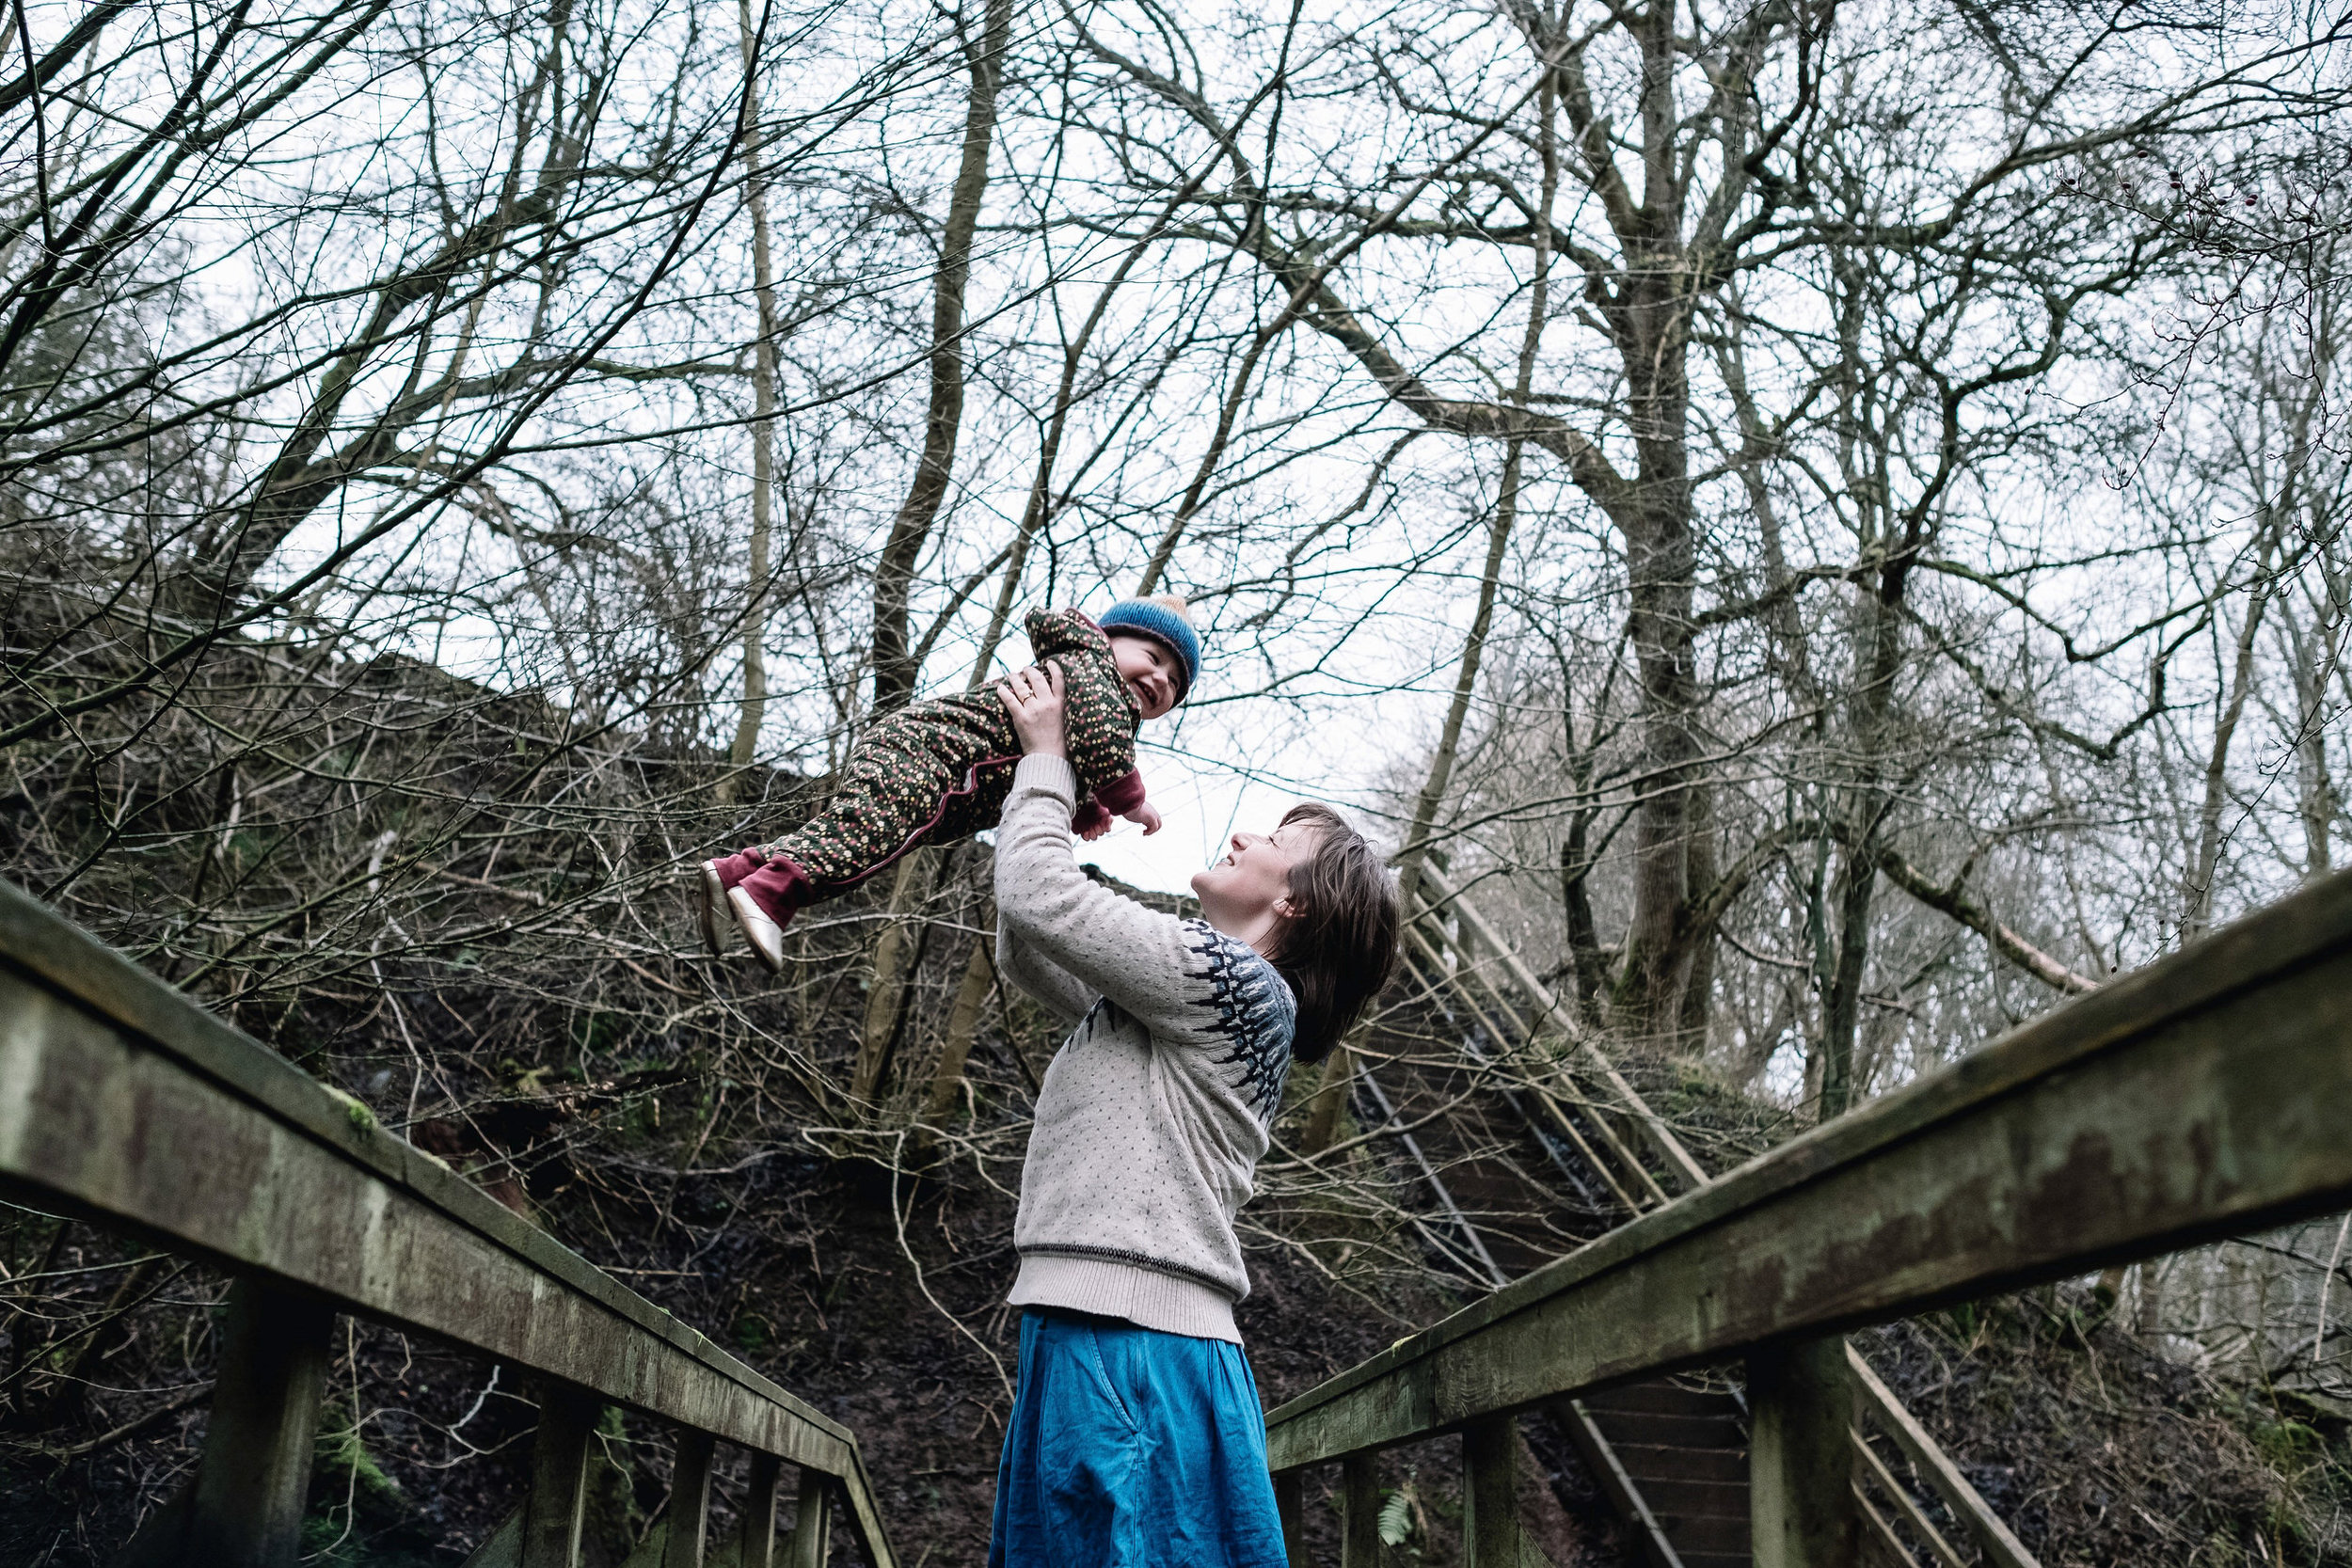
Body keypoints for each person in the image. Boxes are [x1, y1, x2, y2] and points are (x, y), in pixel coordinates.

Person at [984, 661, 1400, 1568]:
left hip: (1132, 1346)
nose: (1247, 832)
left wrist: (1047, 764)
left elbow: (1038, 896)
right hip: (1104, 1334)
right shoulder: (1194, 993)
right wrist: (1054, 797)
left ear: (1295, 900)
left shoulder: (1239, 986)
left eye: (1279, 838)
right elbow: (1030, 939)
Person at [694, 597, 1200, 971]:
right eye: (1153, 659)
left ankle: (737, 873)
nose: (1160, 680)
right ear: (1109, 638)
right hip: (927, 754)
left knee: (865, 832)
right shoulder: (1093, 671)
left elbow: (1070, 755)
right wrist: (1132, 802)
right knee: (870, 835)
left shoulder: (1098, 700)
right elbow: (1099, 746)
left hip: (930, 762)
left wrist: (1087, 810)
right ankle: (772, 894)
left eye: (1175, 682)